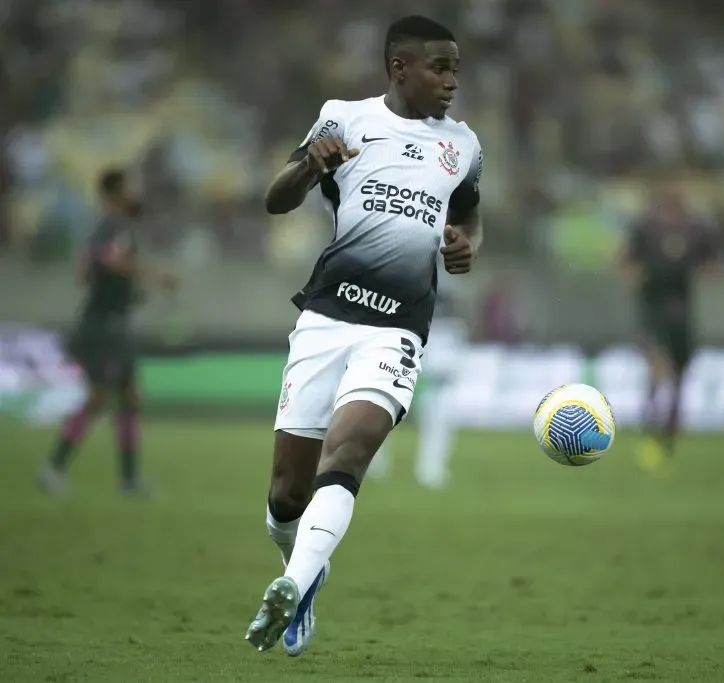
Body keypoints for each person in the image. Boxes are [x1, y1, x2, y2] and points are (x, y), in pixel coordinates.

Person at [245, 15, 484, 656]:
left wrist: (466, 247)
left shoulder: (462, 144)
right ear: (399, 67)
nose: (452, 80)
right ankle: (305, 568)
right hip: (326, 320)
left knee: (345, 459)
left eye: (457, 68)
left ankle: (291, 589)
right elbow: (275, 199)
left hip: (398, 327)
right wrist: (305, 168)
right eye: (441, 67)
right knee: (286, 496)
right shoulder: (342, 118)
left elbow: (468, 215)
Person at [37, 167, 175, 496]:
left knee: (129, 397)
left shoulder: (108, 228)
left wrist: (124, 289)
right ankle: (53, 467)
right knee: (99, 397)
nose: (137, 191)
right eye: (131, 186)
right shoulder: (113, 226)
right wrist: (151, 276)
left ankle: (129, 480)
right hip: (104, 324)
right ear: (116, 193)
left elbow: (84, 271)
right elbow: (108, 261)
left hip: (112, 320)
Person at [620, 187, 713, 475]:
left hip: (681, 315)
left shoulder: (695, 233)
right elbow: (624, 261)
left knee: (679, 374)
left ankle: (669, 428)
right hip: (652, 312)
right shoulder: (644, 232)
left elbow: (710, 263)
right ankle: (650, 424)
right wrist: (635, 275)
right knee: (659, 368)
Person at [368, 266, 467, 489]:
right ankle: (374, 461)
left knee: (438, 405)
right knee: (383, 404)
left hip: (435, 335)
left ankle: (431, 469)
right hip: (409, 329)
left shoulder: (446, 265)